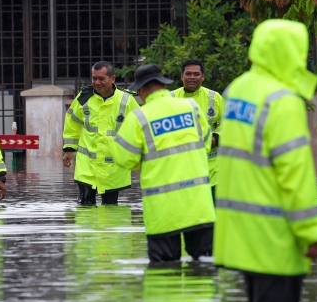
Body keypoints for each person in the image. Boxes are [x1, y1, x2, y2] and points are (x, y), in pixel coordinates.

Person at [213, 20, 317, 302]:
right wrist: (310, 231)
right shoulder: (282, 101)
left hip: (240, 233)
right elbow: (295, 173)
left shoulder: (236, 90)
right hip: (275, 237)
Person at [112, 64, 215, 263]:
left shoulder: (139, 117)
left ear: (141, 90)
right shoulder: (192, 108)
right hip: (199, 207)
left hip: (162, 211)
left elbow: (125, 160)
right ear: (164, 85)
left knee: (164, 273)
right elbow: (207, 144)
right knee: (204, 268)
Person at [62, 61, 137, 206]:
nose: (97, 82)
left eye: (101, 79)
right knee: (84, 206)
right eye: (94, 78)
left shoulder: (126, 100)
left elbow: (138, 127)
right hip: (87, 165)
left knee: (111, 207)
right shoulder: (84, 97)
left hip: (113, 167)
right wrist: (69, 150)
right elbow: (72, 121)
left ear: (112, 79)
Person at [171, 60, 225, 195]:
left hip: (212, 164)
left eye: (196, 74)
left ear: (203, 77)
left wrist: (216, 138)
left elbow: (227, 124)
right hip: (182, 164)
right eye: (188, 74)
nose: (192, 77)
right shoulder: (170, 98)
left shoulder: (215, 97)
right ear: (181, 76)